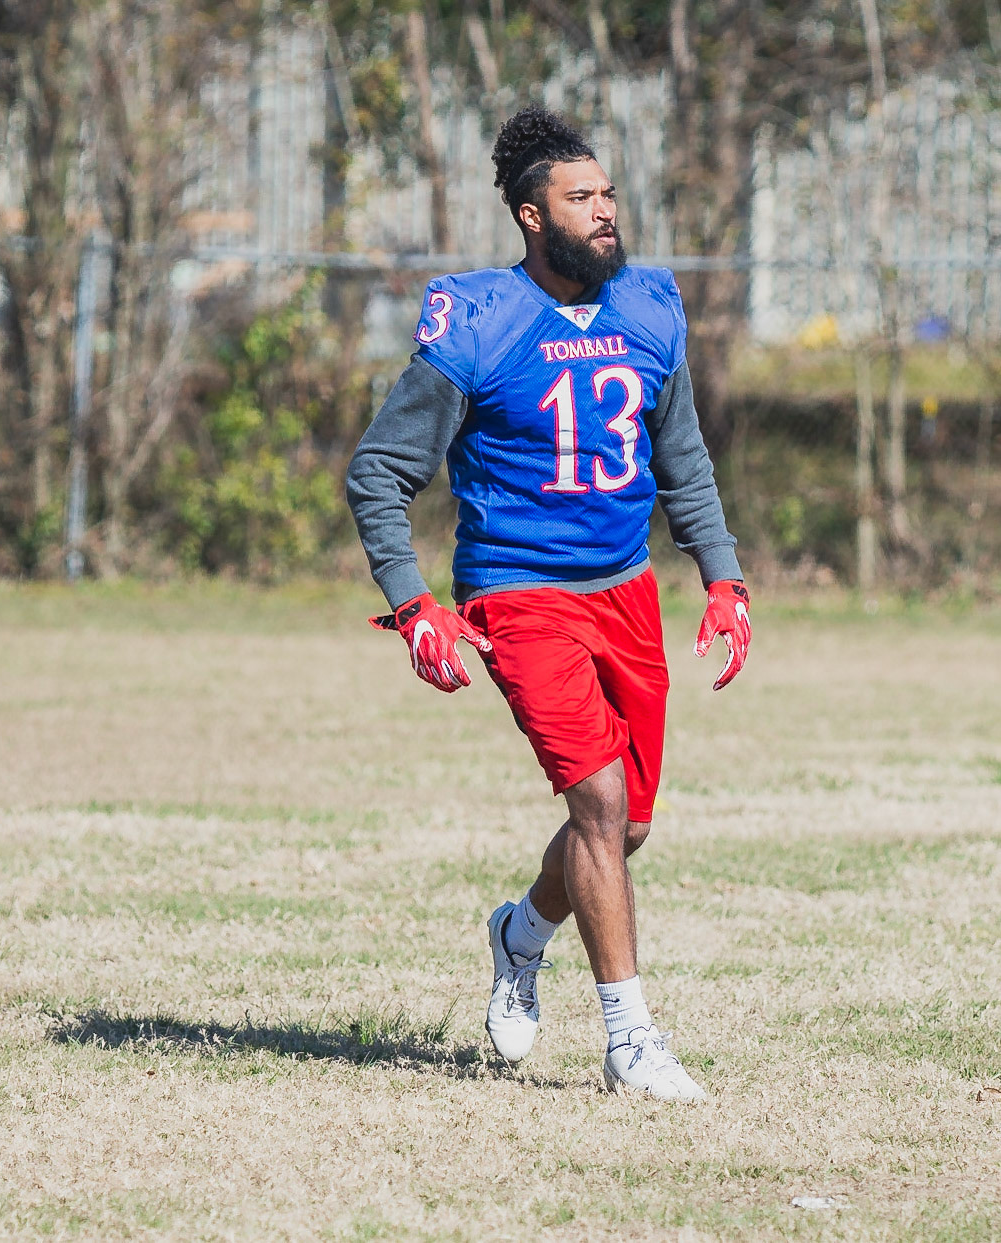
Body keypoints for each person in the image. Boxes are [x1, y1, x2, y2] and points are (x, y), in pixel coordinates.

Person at [345, 107, 750, 1101]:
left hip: (625, 587)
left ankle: (520, 932)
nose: (605, 211)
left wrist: (723, 575)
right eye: (581, 198)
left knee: (626, 826)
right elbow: (378, 471)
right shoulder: (479, 321)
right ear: (532, 217)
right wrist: (413, 603)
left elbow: (682, 456)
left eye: (608, 193)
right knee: (599, 804)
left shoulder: (648, 306)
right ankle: (630, 1040)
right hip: (519, 592)